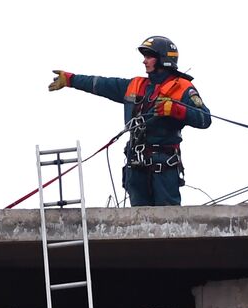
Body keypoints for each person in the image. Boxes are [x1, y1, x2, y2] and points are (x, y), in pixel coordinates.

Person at [48, 36, 211, 207]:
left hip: (164, 167)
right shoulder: (136, 85)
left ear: (163, 59)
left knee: (167, 223)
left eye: (149, 56)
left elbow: (205, 119)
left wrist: (176, 110)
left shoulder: (182, 88)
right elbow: (101, 84)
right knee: (138, 222)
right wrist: (71, 80)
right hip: (136, 166)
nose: (144, 61)